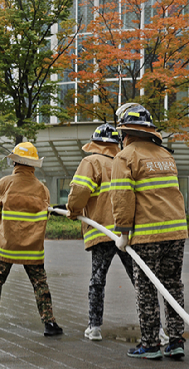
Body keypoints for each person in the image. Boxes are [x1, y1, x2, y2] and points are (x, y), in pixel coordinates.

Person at [109, 103, 187, 360]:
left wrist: (122, 233)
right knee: (173, 286)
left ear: (124, 132)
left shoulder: (125, 157)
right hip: (176, 233)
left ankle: (150, 344)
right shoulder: (166, 156)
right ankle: (176, 341)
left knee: (147, 289)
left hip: (147, 236)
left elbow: (122, 197)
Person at [0, 142, 63, 336]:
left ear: (15, 162)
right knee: (40, 284)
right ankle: (49, 323)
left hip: (6, 246)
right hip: (31, 247)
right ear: (33, 165)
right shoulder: (42, 189)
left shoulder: (4, 183)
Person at [63, 124, 134, 341]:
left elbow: (80, 190)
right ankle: (156, 327)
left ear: (95, 144)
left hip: (102, 231)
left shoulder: (91, 161)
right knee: (138, 280)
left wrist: (73, 211)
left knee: (97, 278)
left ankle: (94, 327)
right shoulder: (124, 163)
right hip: (125, 232)